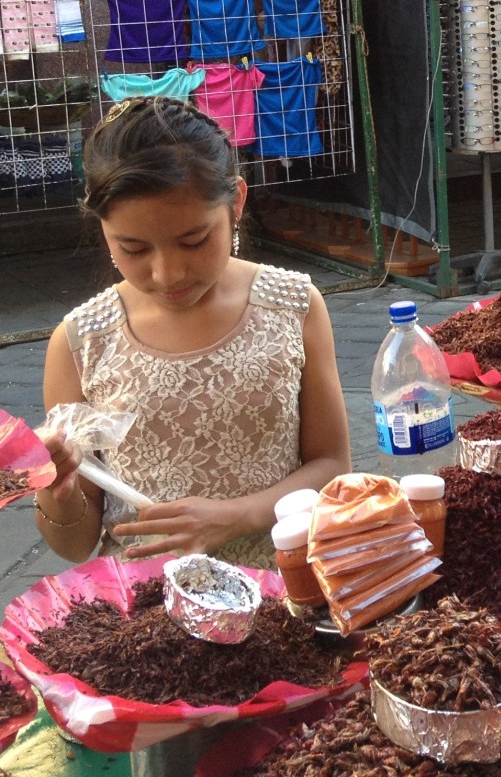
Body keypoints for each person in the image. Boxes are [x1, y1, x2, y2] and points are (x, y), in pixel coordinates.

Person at [34, 95, 351, 569]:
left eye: (194, 241)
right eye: (134, 249)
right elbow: (75, 544)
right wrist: (57, 492)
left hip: (287, 584)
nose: (168, 274)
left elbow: (331, 466)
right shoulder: (81, 342)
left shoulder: (292, 306)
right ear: (103, 228)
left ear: (236, 202)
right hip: (149, 605)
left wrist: (235, 515)